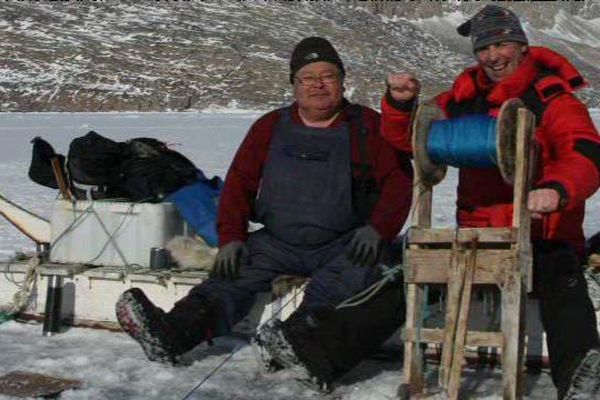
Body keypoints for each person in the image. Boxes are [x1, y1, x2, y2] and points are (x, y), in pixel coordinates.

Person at [116, 37, 413, 390]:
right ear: (294, 84)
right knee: (230, 277)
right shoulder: (270, 127)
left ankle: (304, 343)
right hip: (278, 241)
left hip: (346, 241)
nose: (318, 84)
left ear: (342, 81)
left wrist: (378, 229)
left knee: (342, 282)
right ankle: (174, 333)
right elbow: (239, 184)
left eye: (328, 75)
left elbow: (399, 181)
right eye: (307, 77)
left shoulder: (367, 126)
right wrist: (231, 238)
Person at [381, 5, 600, 399]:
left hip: (542, 233)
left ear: (521, 45)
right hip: (479, 234)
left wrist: (557, 189)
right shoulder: (462, 99)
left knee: (562, 281)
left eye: (502, 43)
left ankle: (581, 379)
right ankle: (313, 351)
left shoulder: (554, 100)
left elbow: (585, 154)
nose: (493, 56)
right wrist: (400, 106)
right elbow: (413, 141)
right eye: (484, 48)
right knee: (407, 273)